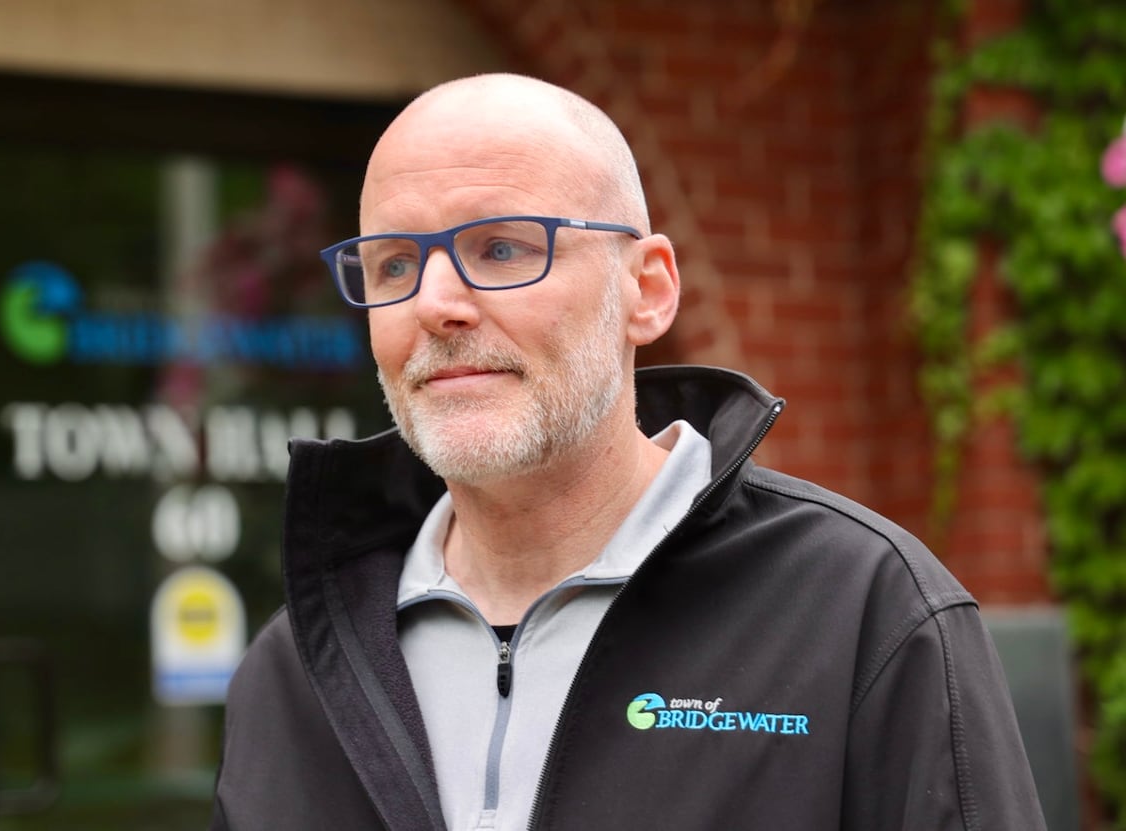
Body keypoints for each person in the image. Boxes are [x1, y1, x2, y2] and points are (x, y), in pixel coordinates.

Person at [210, 73, 1046, 830]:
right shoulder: (295, 671)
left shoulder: (866, 614)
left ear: (646, 290)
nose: (436, 304)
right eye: (394, 263)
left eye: (501, 248)